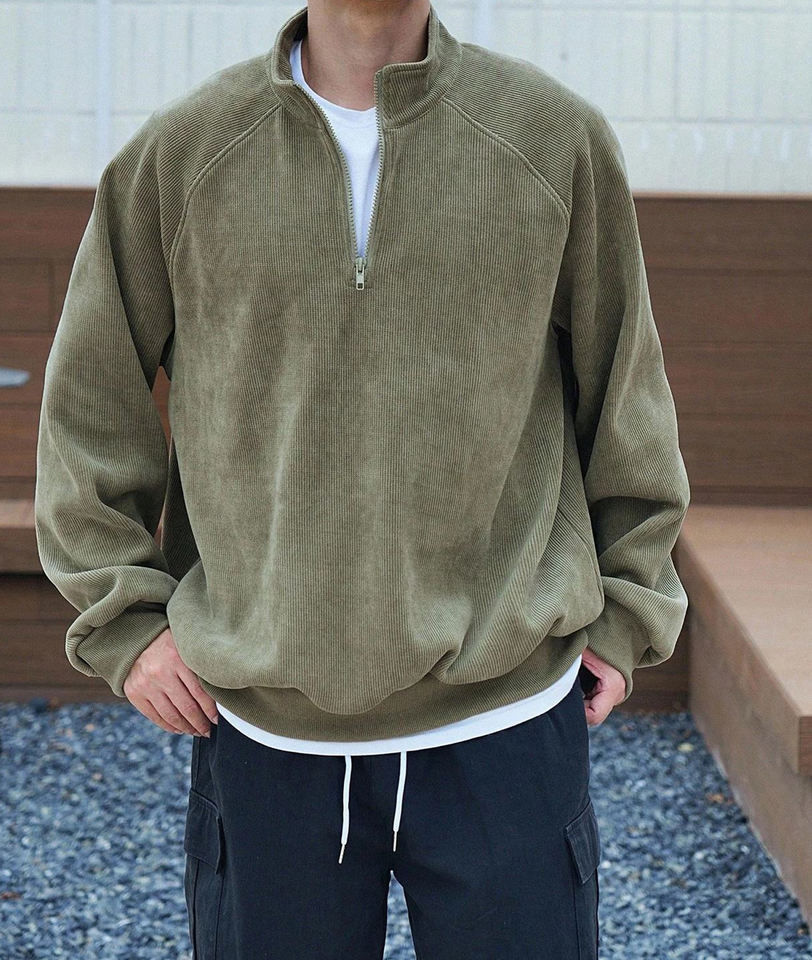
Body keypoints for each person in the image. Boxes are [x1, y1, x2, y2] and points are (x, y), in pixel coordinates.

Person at [34, 1, 691, 957]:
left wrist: (629, 610)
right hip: (267, 729)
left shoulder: (552, 140)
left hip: (503, 714)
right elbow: (88, 408)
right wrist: (125, 623)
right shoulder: (182, 154)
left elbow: (625, 389)